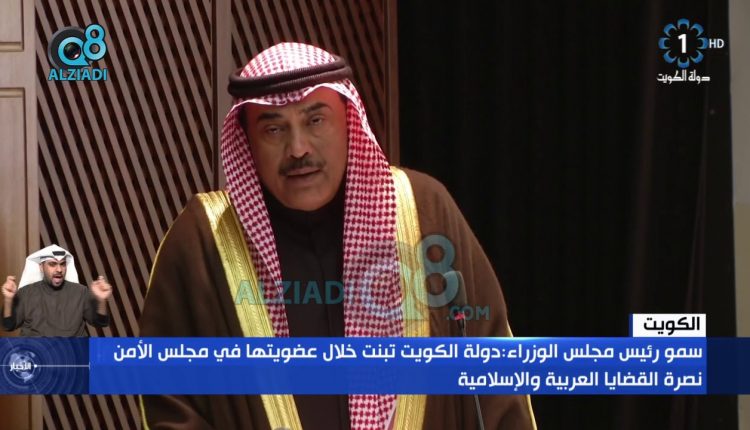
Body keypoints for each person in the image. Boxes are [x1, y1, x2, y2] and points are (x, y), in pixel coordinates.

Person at [139, 42, 536, 430]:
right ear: (247, 141)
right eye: (274, 129)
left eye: (315, 121)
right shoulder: (204, 240)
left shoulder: (424, 211)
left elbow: (494, 374)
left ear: (348, 120)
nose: (298, 149)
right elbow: (170, 396)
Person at [2, 244, 112, 336]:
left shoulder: (80, 292)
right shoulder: (26, 293)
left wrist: (101, 300)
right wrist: (8, 300)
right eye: (52, 264)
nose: (59, 269)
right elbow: (8, 326)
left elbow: (100, 323)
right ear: (41, 267)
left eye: (62, 264)